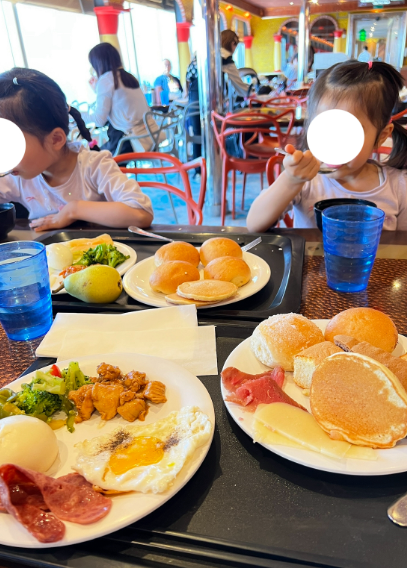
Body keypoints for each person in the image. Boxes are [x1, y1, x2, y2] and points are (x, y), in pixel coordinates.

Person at [246, 60, 407, 232]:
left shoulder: (399, 187)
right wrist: (291, 180)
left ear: (381, 136)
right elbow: (254, 224)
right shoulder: (307, 181)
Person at [0, 68, 153, 232]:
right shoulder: (17, 176)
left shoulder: (94, 166)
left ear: (56, 139)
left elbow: (141, 213)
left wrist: (74, 209)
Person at [82, 43, 155, 155]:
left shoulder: (106, 80)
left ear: (98, 63)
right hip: (147, 135)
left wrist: (78, 116)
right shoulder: (128, 76)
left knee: (92, 157)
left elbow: (100, 120)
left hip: (127, 141)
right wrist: (97, 90)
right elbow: (119, 103)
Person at [221, 30, 252, 99]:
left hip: (198, 99)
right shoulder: (226, 58)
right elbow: (242, 89)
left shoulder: (212, 53)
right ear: (233, 43)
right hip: (213, 100)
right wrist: (251, 93)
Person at [185, 54, 201, 167]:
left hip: (194, 103)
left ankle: (197, 167)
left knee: (196, 134)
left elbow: (187, 83)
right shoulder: (213, 64)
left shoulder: (192, 65)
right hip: (206, 103)